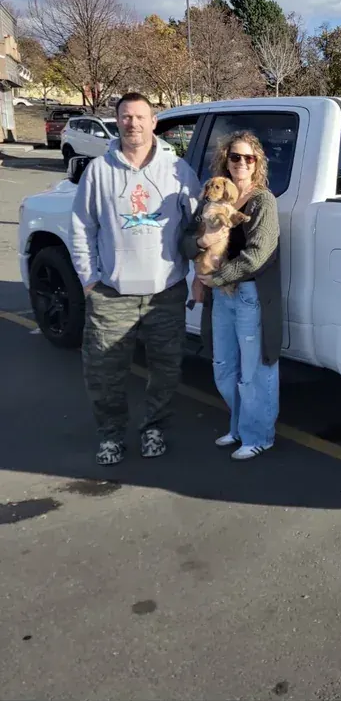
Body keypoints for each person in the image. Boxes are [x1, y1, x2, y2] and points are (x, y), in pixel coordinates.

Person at [70, 92, 201, 465]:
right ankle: (111, 435)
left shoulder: (178, 171)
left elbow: (195, 223)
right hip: (112, 293)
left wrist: (197, 268)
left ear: (154, 122)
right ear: (117, 121)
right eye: (126, 117)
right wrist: (89, 280)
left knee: (166, 368)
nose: (133, 124)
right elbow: (82, 227)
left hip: (165, 293)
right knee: (104, 372)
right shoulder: (99, 171)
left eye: (141, 117)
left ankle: (154, 428)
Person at [181, 131, 282, 460]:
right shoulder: (214, 199)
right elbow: (187, 238)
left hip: (248, 293)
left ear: (257, 164)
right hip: (220, 295)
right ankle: (238, 428)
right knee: (225, 367)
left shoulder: (262, 201)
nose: (241, 163)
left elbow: (257, 255)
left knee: (254, 371)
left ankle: (259, 436)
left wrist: (215, 277)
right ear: (226, 160)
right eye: (235, 157)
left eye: (248, 158)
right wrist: (199, 245)